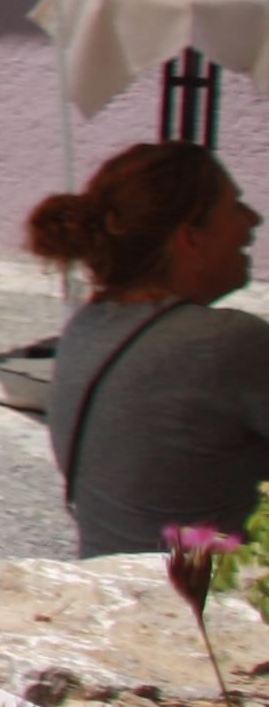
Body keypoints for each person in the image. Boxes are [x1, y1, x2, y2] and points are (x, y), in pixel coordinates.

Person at [27, 141, 269, 555]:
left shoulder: (87, 325)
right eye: (235, 207)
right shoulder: (222, 343)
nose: (253, 220)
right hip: (210, 607)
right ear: (190, 237)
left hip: (118, 593)